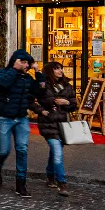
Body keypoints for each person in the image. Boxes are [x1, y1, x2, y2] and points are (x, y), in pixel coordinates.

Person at [0, 49, 39, 197]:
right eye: (23, 62)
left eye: (27, 63)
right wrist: (14, 69)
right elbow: (3, 84)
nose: (25, 65)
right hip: (4, 118)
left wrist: (37, 72)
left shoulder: (27, 78)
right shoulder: (1, 73)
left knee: (22, 150)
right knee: (4, 150)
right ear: (15, 61)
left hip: (21, 118)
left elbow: (39, 91)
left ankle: (21, 184)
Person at [31, 61, 77, 196]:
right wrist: (42, 111)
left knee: (55, 151)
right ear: (50, 71)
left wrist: (67, 102)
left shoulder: (67, 85)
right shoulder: (44, 85)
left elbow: (74, 104)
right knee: (58, 152)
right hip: (48, 124)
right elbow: (31, 99)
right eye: (57, 69)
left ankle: (50, 176)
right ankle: (62, 184)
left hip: (62, 124)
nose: (60, 71)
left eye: (61, 68)